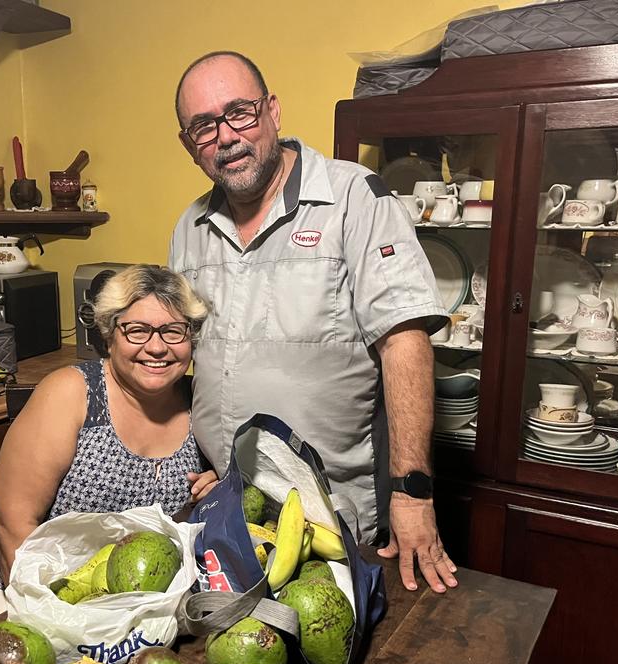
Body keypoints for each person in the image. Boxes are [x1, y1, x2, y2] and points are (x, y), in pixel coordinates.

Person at [169, 51, 459, 594]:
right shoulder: (190, 227)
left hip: (339, 517)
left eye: (240, 112)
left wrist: (413, 492)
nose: (226, 136)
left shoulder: (355, 198)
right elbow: (196, 363)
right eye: (204, 126)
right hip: (233, 511)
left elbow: (405, 342)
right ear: (190, 144)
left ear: (273, 111)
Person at [0, 265, 217, 645]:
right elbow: (11, 518)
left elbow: (181, 525)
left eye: (174, 331)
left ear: (191, 338)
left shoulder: (199, 403)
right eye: (137, 330)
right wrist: (58, 615)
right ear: (108, 333)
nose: (156, 347)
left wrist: (211, 494)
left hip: (146, 610)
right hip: (30, 593)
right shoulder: (73, 393)